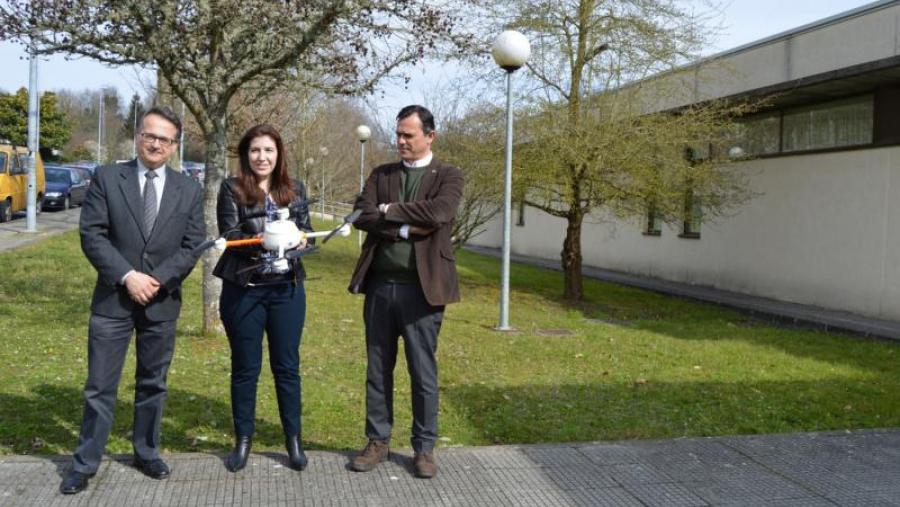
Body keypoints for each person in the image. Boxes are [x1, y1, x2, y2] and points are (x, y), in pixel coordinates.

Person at [61, 106, 205, 495]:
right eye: (149, 135)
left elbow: (193, 246)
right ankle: (85, 462)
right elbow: (93, 234)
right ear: (139, 136)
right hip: (113, 300)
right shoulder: (108, 178)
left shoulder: (189, 189)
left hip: (161, 301)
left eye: (164, 138)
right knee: (99, 387)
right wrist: (128, 276)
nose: (155, 143)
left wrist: (156, 280)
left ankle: (146, 451)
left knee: (153, 384)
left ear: (175, 146)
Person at [348, 105, 464, 479]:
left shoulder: (448, 175)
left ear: (430, 136)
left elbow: (439, 214)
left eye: (408, 135)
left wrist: (391, 210)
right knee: (378, 367)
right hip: (381, 286)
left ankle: (424, 447)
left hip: (423, 291)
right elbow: (363, 214)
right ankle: (377, 441)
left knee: (422, 370)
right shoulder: (382, 173)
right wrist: (404, 228)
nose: (400, 141)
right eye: (398, 134)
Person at [214, 124, 313, 473]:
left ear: (279, 154)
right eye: (255, 150)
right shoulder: (232, 188)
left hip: (286, 291)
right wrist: (269, 239)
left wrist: (301, 240)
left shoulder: (295, 189)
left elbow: (308, 234)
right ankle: (242, 440)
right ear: (246, 154)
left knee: (287, 368)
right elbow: (230, 233)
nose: (262, 157)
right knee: (245, 368)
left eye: (268, 150)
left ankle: (293, 441)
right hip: (245, 291)